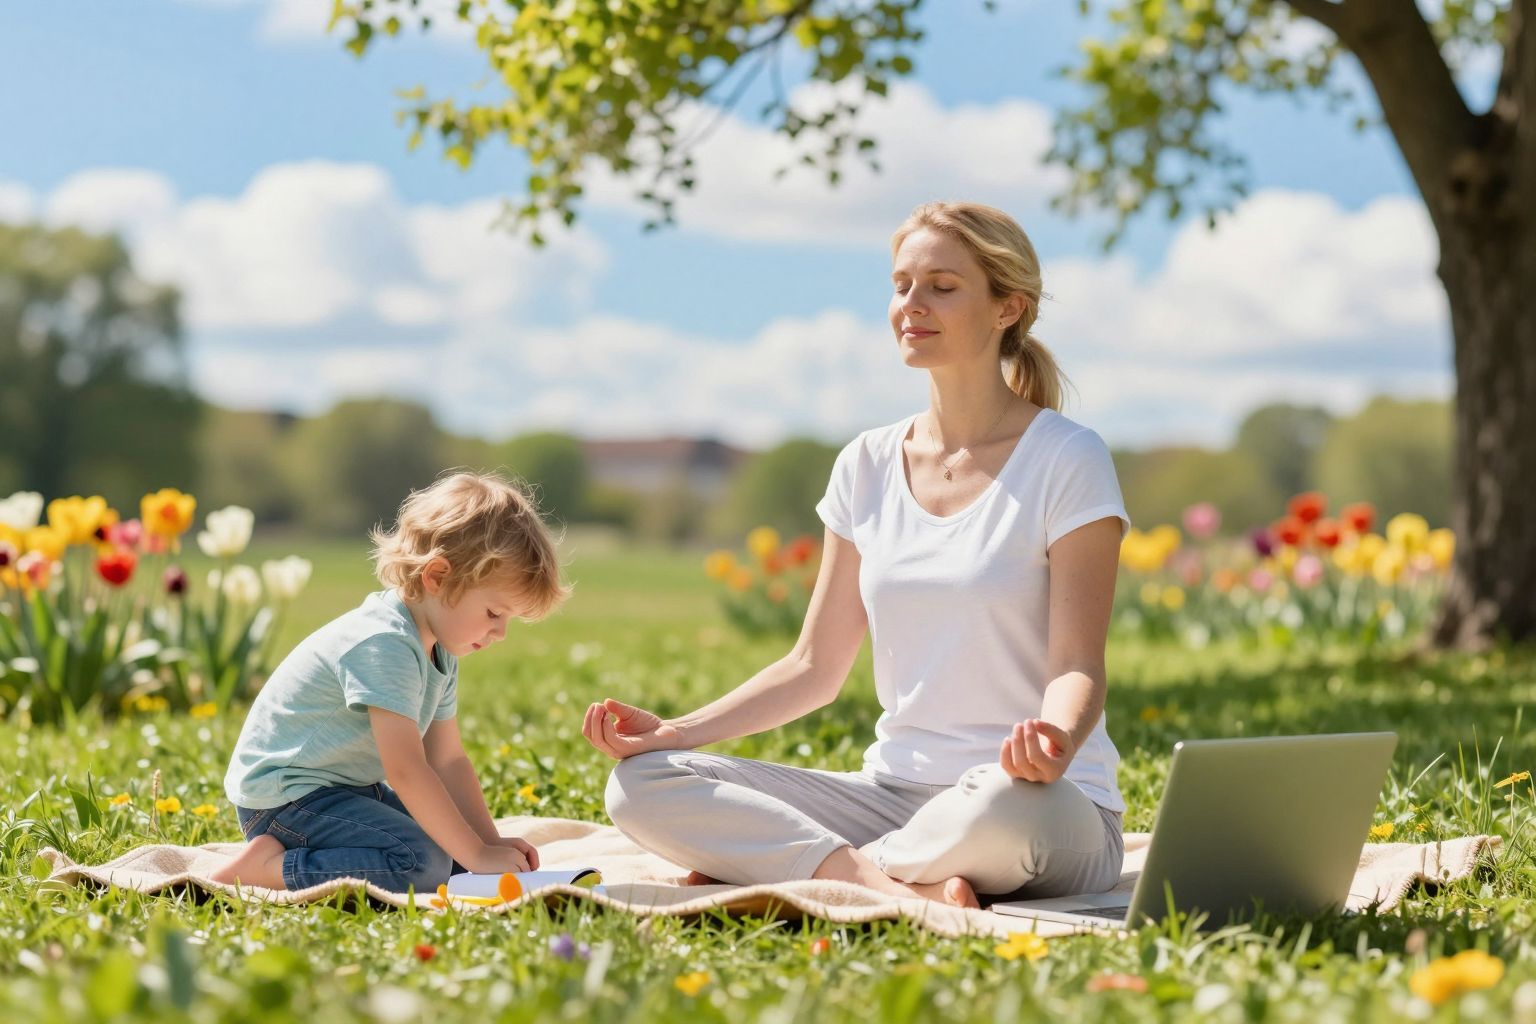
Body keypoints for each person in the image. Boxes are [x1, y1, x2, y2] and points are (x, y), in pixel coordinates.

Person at [584, 201, 1129, 908]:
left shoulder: (1067, 457)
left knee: (1002, 807)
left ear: (1007, 308)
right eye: (901, 284)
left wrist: (1054, 737)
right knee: (641, 784)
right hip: (892, 799)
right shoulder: (866, 463)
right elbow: (814, 667)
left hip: (1039, 801)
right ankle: (887, 882)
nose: (911, 304)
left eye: (942, 285)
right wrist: (675, 732)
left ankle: (799, 866)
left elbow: (1078, 667)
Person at [211, 471, 569, 892]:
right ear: (437, 577)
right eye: (494, 613)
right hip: (283, 801)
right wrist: (476, 854)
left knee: (455, 854)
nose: (501, 632)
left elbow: (448, 760)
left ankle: (290, 859)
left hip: (343, 791)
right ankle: (269, 868)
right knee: (422, 864)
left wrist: (487, 845)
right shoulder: (385, 644)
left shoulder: (440, 648)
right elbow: (406, 769)